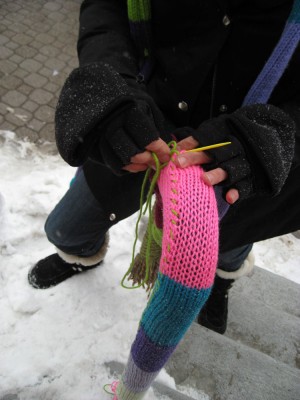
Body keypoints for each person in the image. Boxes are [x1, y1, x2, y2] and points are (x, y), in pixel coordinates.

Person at [28, 0, 300, 396]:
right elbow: (108, 7)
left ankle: (219, 283)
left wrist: (280, 136)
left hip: (251, 162)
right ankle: (78, 251)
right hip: (138, 128)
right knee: (67, 226)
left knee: (228, 245)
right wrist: (108, 77)